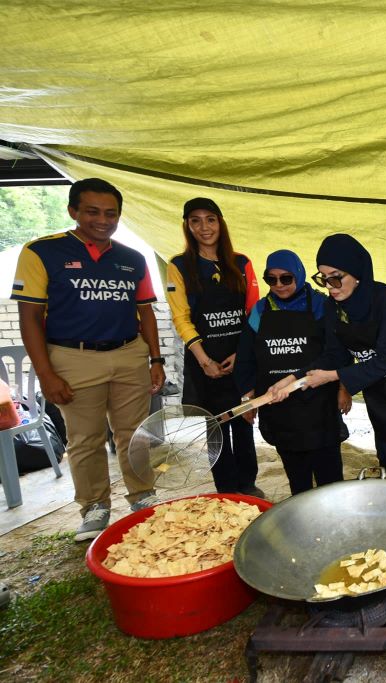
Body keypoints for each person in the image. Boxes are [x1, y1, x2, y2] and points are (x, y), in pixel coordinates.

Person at [12, 178, 164, 541]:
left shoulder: (132, 259)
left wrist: (155, 359)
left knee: (136, 435)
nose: (103, 220)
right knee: (85, 438)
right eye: (92, 211)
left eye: (111, 213)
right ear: (73, 211)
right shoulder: (42, 252)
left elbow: (146, 313)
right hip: (72, 357)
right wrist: (45, 373)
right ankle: (95, 507)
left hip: (129, 354)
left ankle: (143, 497)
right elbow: (29, 317)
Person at [269, 234, 386, 489]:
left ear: (357, 273)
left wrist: (334, 377)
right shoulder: (334, 308)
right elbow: (334, 355)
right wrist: (292, 379)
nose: (329, 285)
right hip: (378, 381)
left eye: (335, 277)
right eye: (323, 278)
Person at [166, 198, 262, 496]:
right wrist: (204, 359)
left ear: (220, 222)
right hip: (204, 360)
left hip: (240, 357)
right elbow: (181, 317)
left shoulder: (242, 262)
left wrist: (243, 354)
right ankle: (226, 489)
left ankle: (248, 485)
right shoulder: (178, 266)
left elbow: (254, 312)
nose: (204, 227)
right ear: (187, 226)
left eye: (210, 219)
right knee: (216, 426)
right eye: (195, 220)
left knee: (245, 420)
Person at [234, 250, 346, 495]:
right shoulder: (260, 311)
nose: (279, 285)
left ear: (299, 274)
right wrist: (246, 396)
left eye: (286, 278)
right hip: (279, 407)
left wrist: (344, 388)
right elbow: (245, 356)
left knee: (331, 479)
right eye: (271, 279)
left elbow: (337, 352)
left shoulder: (322, 305)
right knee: (298, 480)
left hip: (319, 404)